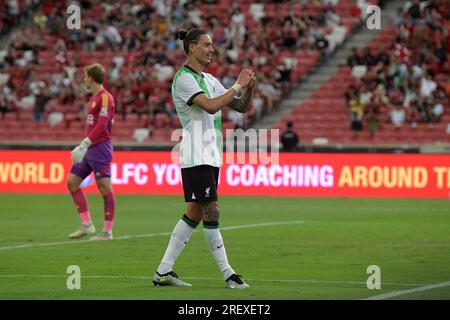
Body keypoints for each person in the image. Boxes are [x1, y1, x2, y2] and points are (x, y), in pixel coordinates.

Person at [152, 28, 256, 289]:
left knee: (195, 211)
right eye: (207, 45)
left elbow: (240, 106)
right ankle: (228, 274)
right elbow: (210, 106)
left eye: (212, 45)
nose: (212, 49)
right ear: (191, 48)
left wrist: (248, 89)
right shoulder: (183, 79)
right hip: (196, 155)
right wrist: (237, 85)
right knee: (212, 209)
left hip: (211, 155)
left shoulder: (209, 79)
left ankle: (163, 271)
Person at [66, 63, 116, 240]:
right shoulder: (93, 98)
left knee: (104, 188)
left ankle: (107, 232)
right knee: (72, 182)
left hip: (100, 148)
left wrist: (85, 143)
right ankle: (86, 224)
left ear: (92, 77)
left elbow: (102, 125)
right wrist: (83, 145)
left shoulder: (105, 98)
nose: (84, 79)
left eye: (86, 76)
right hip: (88, 149)